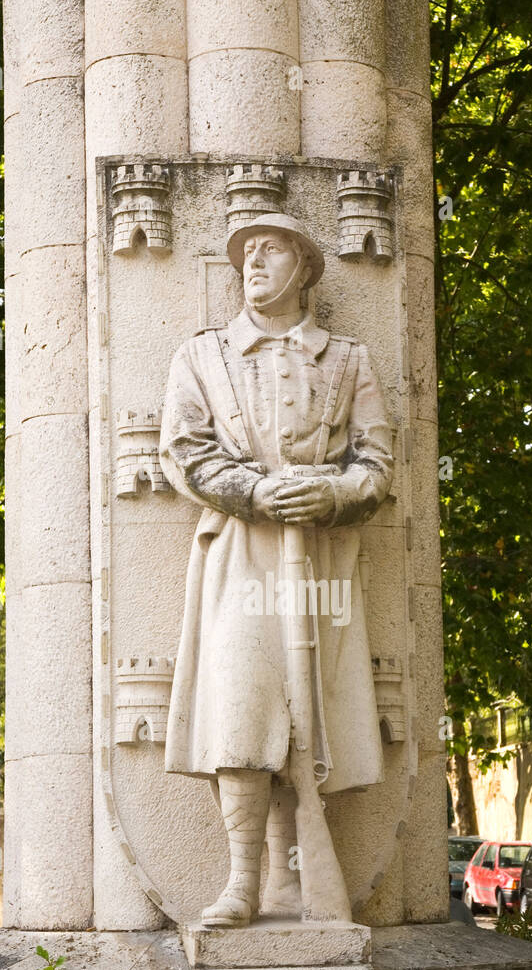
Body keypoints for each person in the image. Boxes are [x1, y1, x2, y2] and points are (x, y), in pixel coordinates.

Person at [159, 213, 393, 927]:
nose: (253, 261)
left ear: (305, 268)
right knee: (241, 708)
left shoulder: (349, 359)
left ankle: (294, 884)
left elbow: (377, 464)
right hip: (241, 550)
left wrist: (331, 493)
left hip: (320, 556)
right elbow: (184, 450)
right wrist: (255, 491)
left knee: (309, 718)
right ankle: (242, 884)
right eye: (245, 252)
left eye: (271, 249)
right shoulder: (200, 356)